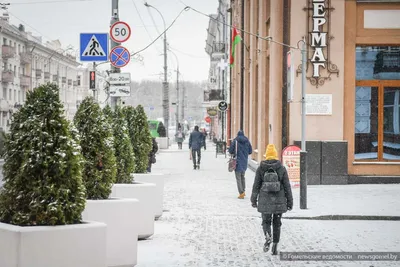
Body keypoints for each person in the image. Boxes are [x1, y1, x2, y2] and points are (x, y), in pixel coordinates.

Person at [250, 144, 293, 255]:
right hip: (279, 201)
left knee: (266, 221)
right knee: (277, 222)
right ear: (275, 155)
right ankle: (275, 244)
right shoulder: (281, 168)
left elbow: (256, 185)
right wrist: (290, 202)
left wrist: (253, 200)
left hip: (265, 201)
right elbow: (287, 186)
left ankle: (267, 235)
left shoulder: (261, 168)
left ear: (266, 156)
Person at [229, 130, 252, 199]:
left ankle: (241, 193)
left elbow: (230, 150)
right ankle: (243, 191)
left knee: (238, 178)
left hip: (237, 162)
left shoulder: (235, 141)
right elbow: (250, 151)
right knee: (242, 176)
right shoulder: (247, 141)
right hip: (244, 161)